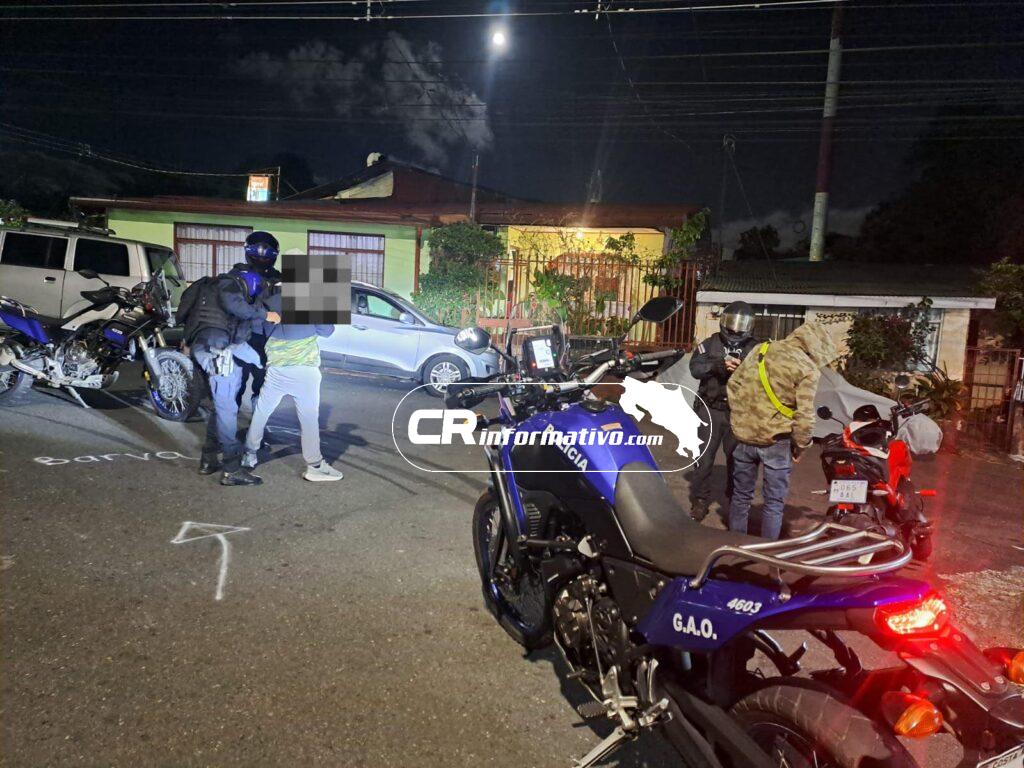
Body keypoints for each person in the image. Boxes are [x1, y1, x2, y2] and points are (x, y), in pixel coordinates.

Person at [725, 321, 839, 540]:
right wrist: (802, 447)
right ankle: (767, 553)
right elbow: (804, 418)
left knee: (740, 497)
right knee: (774, 503)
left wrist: (742, 420)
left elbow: (733, 385)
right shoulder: (807, 368)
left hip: (745, 438)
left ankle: (734, 546)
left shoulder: (761, 350)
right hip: (777, 443)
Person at [178, 261, 280, 486]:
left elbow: (238, 342)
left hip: (208, 349)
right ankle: (232, 469)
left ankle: (208, 459)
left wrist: (260, 363)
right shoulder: (229, 287)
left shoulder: (215, 293)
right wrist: (266, 315)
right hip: (217, 353)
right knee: (227, 410)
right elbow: (241, 310)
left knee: (222, 406)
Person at [241, 276, 343, 482]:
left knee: (262, 411)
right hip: (304, 371)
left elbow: (257, 328)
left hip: (277, 368)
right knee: (309, 418)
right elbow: (328, 331)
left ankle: (249, 454)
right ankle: (314, 466)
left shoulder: (268, 300)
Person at [687, 300, 759, 521]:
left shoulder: (756, 348)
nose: (735, 329)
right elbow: (695, 368)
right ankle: (700, 500)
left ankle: (735, 503)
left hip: (739, 413)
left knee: (739, 461)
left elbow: (766, 376)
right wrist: (717, 366)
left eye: (741, 324)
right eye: (731, 322)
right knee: (703, 459)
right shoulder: (710, 344)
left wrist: (744, 368)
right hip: (710, 409)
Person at [237, 231, 282, 410]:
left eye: (266, 254)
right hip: (241, 335)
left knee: (262, 381)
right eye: (258, 253)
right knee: (237, 380)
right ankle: (231, 414)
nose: (262, 257)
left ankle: (257, 416)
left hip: (266, 338)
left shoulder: (279, 279)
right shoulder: (237, 275)